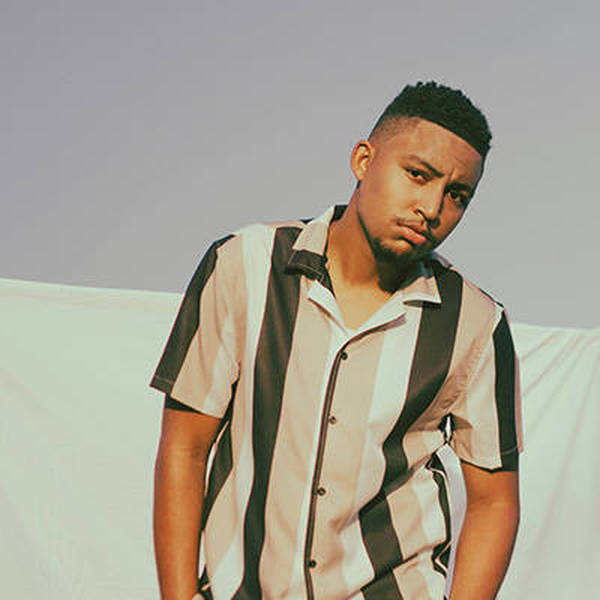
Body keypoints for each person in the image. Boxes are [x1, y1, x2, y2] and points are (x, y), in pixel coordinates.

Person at [150, 81, 523, 600]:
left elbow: (494, 500)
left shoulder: (476, 323)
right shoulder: (244, 265)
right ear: (363, 160)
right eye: (418, 175)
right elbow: (185, 447)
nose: (432, 206)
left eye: (457, 195)